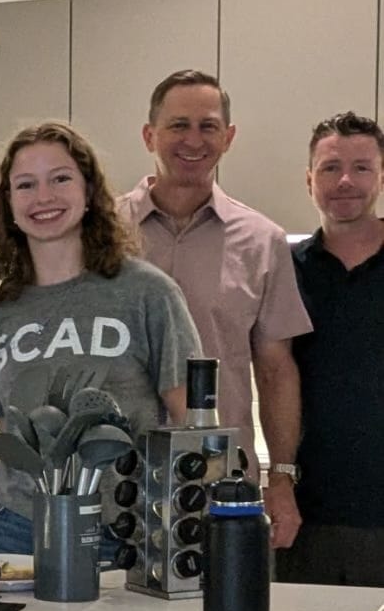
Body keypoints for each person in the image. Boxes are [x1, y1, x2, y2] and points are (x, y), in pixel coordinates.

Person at [0, 123, 200, 556]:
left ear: (89, 191)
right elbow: (8, 424)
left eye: (60, 178)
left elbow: (191, 419)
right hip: (15, 526)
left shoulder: (147, 292)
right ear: (9, 203)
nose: (44, 197)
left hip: (121, 528)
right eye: (25, 184)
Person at [117, 69, 311, 548]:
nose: (193, 140)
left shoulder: (262, 240)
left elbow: (276, 370)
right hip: (116, 477)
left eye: (207, 126)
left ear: (228, 137)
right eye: (178, 125)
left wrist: (280, 479)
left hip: (219, 481)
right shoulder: (102, 231)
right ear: (149, 136)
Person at [279, 112, 384, 586]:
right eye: (330, 168)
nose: (345, 181)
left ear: (381, 176)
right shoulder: (283, 271)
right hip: (308, 514)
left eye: (361, 168)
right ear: (309, 180)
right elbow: (271, 372)